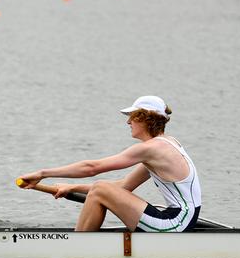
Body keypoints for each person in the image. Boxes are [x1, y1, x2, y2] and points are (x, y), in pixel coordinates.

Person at [17, 96, 203, 232]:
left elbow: (92, 168)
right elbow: (123, 186)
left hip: (175, 224)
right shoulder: (167, 144)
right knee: (101, 190)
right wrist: (71, 187)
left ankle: (77, 246)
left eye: (133, 117)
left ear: (146, 119)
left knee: (100, 188)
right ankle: (82, 240)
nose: (128, 121)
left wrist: (42, 173)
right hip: (182, 221)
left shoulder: (152, 149)